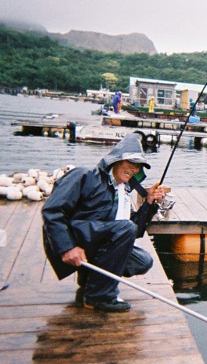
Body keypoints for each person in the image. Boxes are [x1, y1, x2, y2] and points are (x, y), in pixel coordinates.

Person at [42, 133, 165, 312]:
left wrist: (149, 203)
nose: (134, 169)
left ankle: (90, 281)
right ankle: (98, 296)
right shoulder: (84, 175)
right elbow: (52, 210)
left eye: (138, 167)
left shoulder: (122, 192)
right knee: (125, 228)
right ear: (115, 160)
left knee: (142, 261)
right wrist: (67, 247)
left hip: (93, 242)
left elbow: (132, 231)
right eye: (130, 163)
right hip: (72, 240)